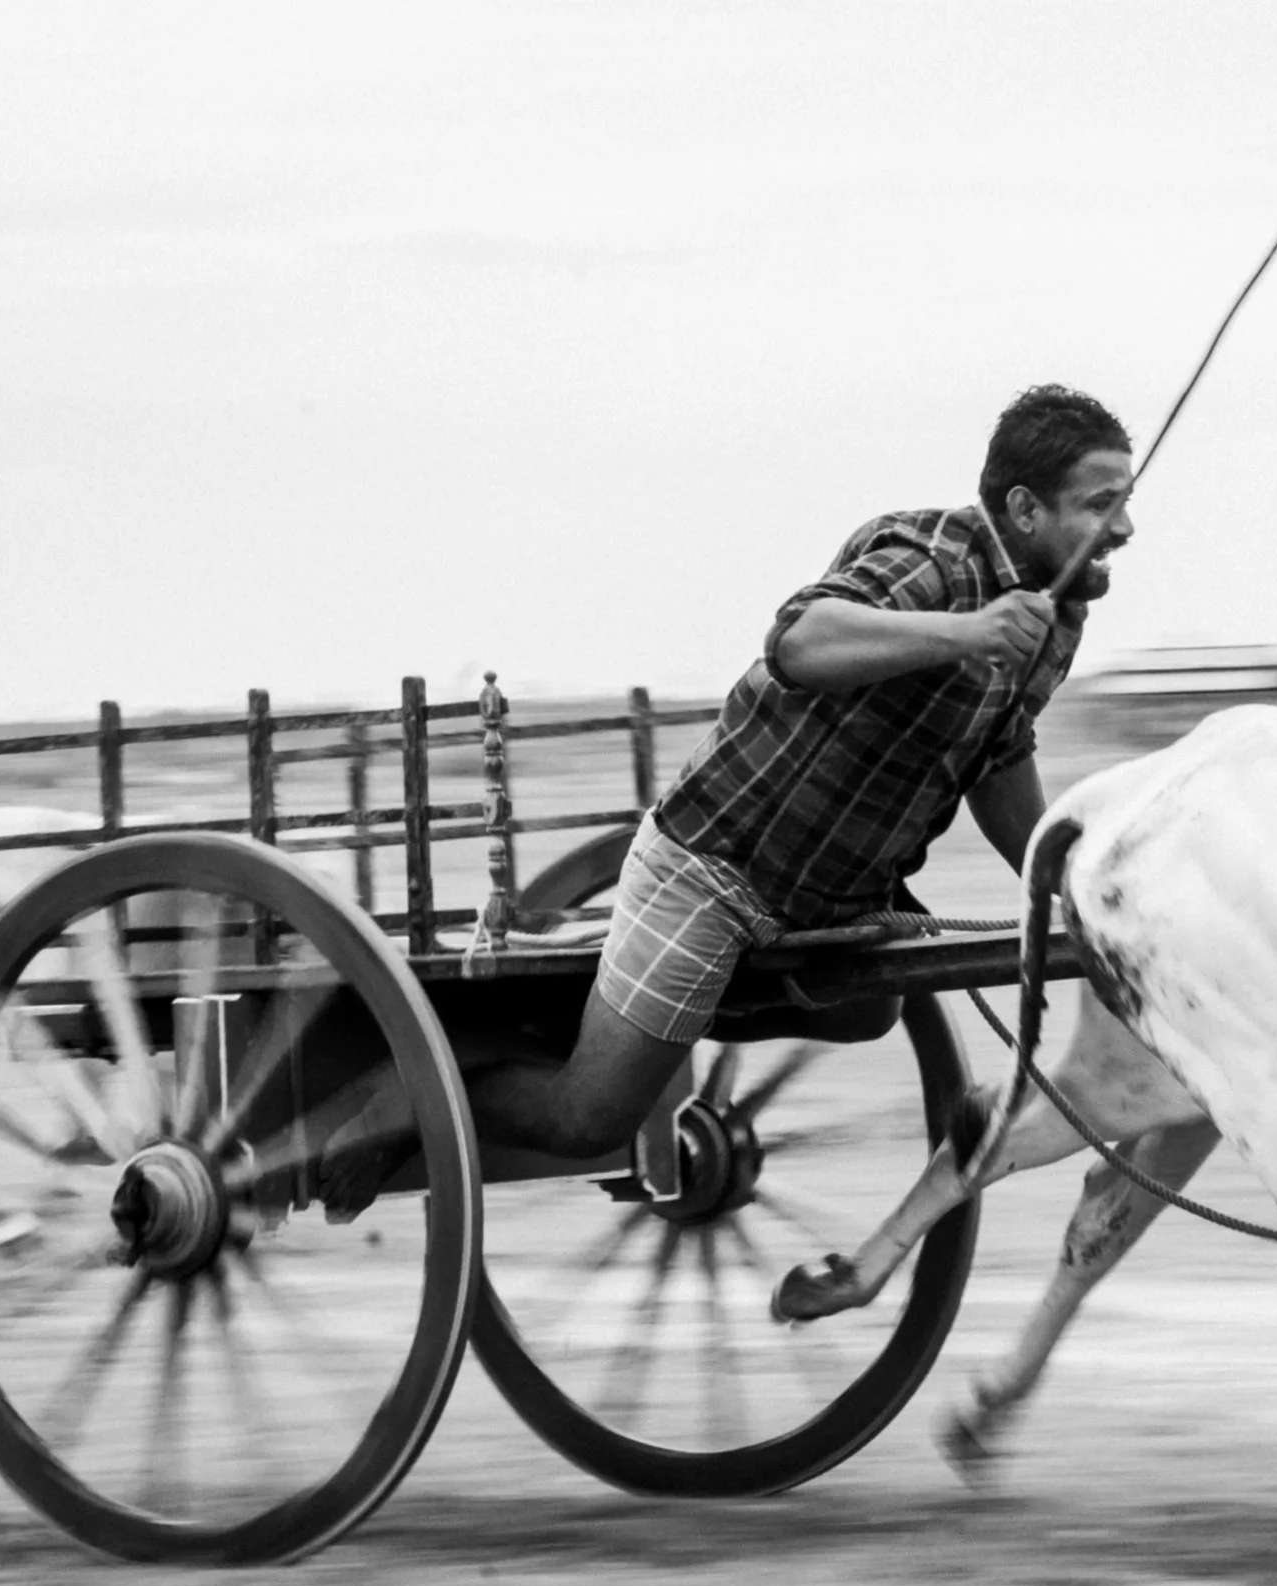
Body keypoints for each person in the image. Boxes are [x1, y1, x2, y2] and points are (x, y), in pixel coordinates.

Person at [321, 384, 1134, 1211]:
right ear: (1026, 509)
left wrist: (1070, 879)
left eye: (1126, 503)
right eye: (1102, 504)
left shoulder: (1055, 617)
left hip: (826, 896)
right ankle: (404, 1098)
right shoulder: (933, 560)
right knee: (589, 1118)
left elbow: (997, 758)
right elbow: (799, 639)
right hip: (717, 866)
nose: (1126, 528)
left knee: (872, 1010)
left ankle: (640, 1017)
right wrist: (968, 632)